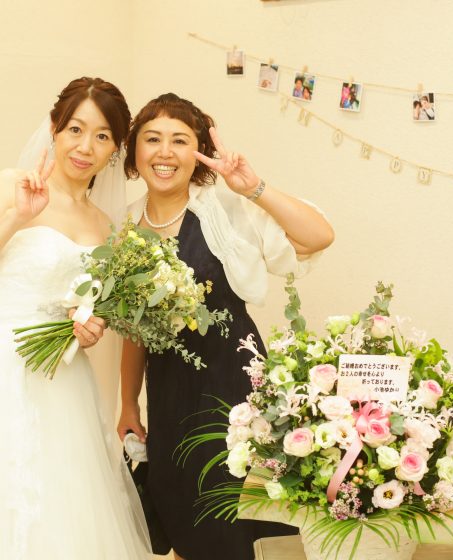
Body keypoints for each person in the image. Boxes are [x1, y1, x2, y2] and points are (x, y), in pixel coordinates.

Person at [117, 93, 334, 560]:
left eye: (180, 140)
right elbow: (133, 327)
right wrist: (128, 402)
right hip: (168, 393)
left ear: (199, 152)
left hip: (235, 387)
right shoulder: (128, 224)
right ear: (134, 149)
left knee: (242, 513)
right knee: (182, 509)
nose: (165, 152)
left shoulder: (225, 207)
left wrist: (253, 188)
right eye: (152, 139)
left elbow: (319, 236)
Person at [0, 77, 151, 559]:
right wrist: (16, 217)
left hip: (61, 379)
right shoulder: (11, 186)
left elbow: (93, 309)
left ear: (116, 149)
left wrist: (88, 329)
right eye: (76, 130)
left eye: (103, 136)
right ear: (54, 129)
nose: (86, 147)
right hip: (5, 361)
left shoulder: (108, 228)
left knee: (62, 508)